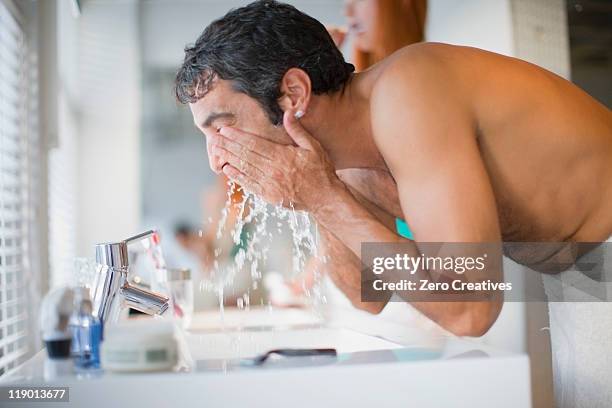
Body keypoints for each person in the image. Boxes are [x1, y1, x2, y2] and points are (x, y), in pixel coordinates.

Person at [174, 1, 612, 406]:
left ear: (292, 93)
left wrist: (324, 199)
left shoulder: (409, 90)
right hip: (578, 271)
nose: (216, 159)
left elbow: (470, 308)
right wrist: (313, 194)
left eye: (222, 127)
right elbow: (365, 295)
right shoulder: (349, 157)